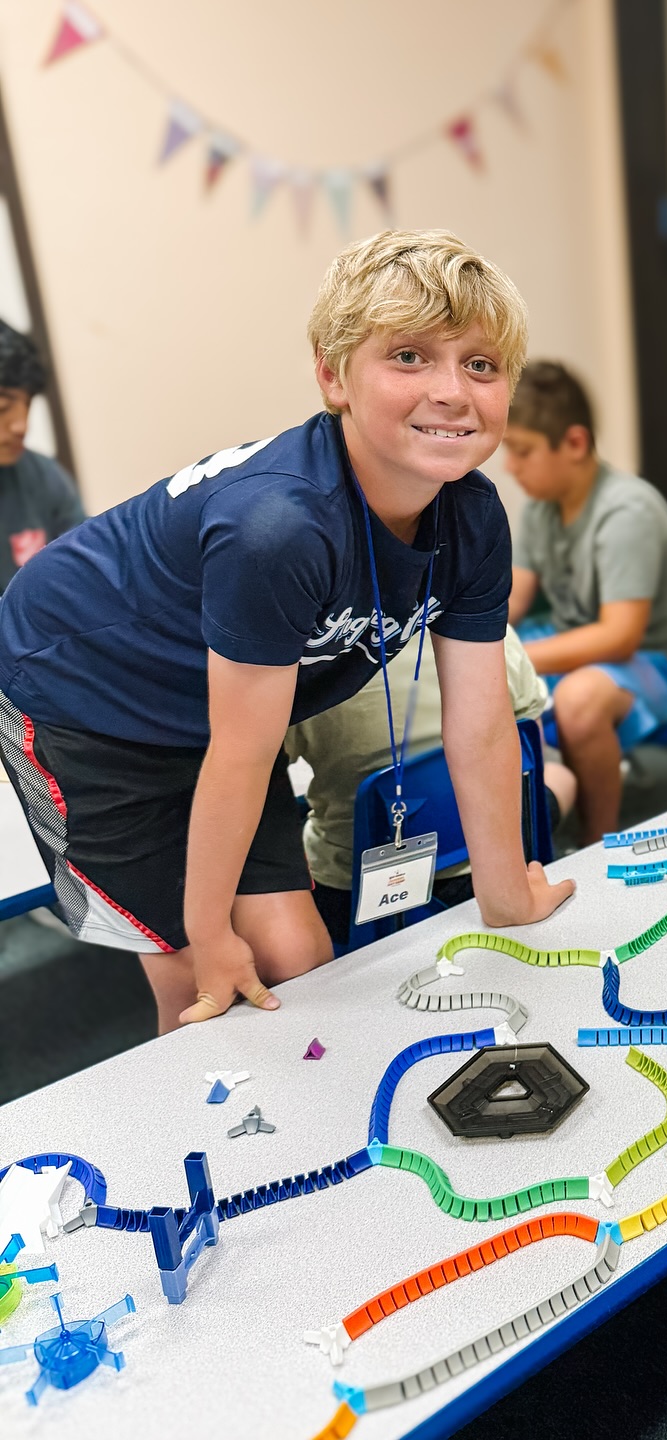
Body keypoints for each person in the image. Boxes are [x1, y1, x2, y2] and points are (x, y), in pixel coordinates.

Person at [0, 229, 573, 1033]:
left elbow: (480, 723)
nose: (452, 391)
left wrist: (504, 892)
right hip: (85, 697)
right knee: (202, 990)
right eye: (409, 357)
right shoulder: (279, 528)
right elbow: (240, 752)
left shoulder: (474, 516)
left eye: (480, 365)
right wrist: (209, 934)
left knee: (297, 959)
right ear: (333, 375)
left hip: (216, 708)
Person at [285, 626, 578, 950]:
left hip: (358, 895)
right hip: (503, 866)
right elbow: (529, 748)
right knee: (559, 775)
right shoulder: (491, 630)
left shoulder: (301, 662)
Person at [505, 361, 667, 844]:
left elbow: (619, 638)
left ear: (574, 443)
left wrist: (511, 659)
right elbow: (510, 600)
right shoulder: (541, 505)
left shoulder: (626, 512)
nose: (510, 466)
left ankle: (597, 843)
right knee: (467, 670)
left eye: (522, 451)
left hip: (654, 661)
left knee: (578, 699)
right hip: (577, 639)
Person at [0, 320, 84, 593]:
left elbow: (85, 568)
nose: (21, 425)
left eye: (26, 404)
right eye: (3, 407)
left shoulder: (42, 475)